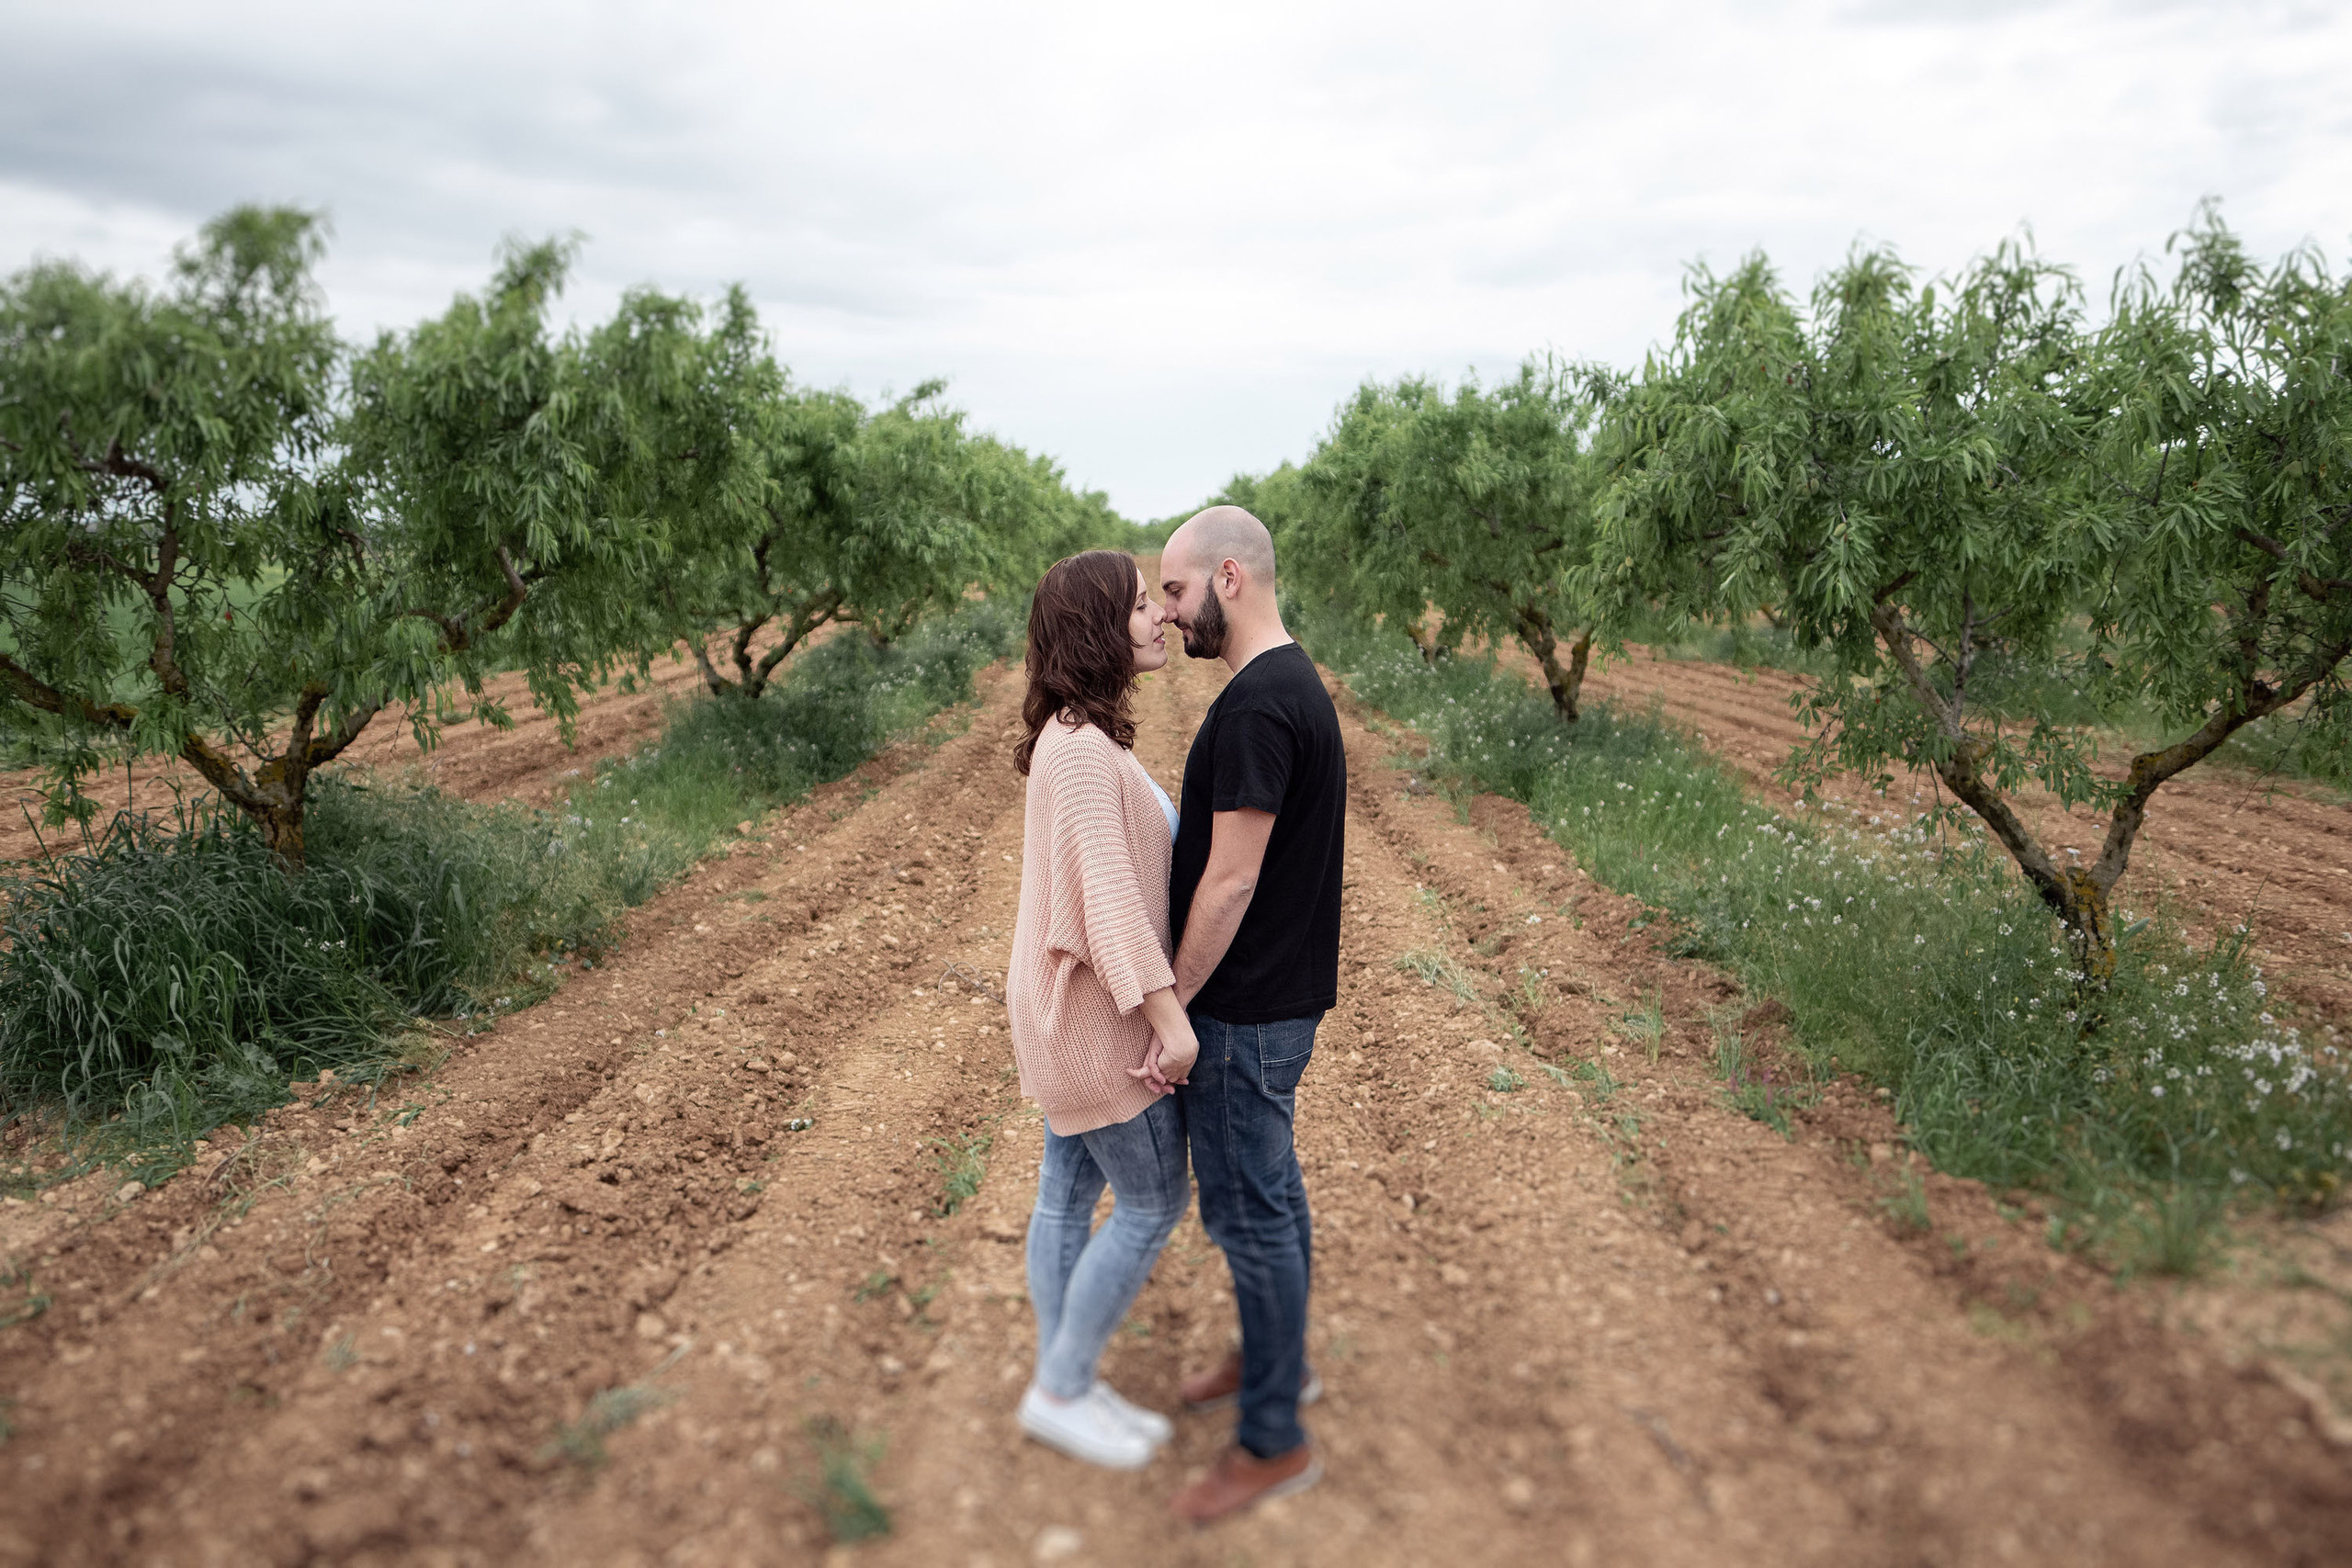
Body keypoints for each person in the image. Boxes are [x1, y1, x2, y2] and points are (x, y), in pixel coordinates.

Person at [1148, 506, 1347, 1523]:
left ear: (1229, 576)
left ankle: (1273, 1440)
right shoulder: (1285, 684)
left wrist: (1174, 1004)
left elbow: (1229, 880)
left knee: (1250, 1216)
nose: (1168, 613)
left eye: (1176, 591)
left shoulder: (1261, 704)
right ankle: (1279, 1361)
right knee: (1275, 1199)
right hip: (1275, 1002)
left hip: (1243, 1013)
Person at [1006, 549, 1202, 1470]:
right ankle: (1061, 1388)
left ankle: (1065, 1380)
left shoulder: (1076, 734)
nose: (1159, 616)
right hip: (1095, 1025)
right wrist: (1170, 1024)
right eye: (1140, 604)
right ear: (1096, 625)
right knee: (1154, 1201)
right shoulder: (1083, 752)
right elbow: (1110, 906)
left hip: (1064, 1012)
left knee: (1068, 1195)